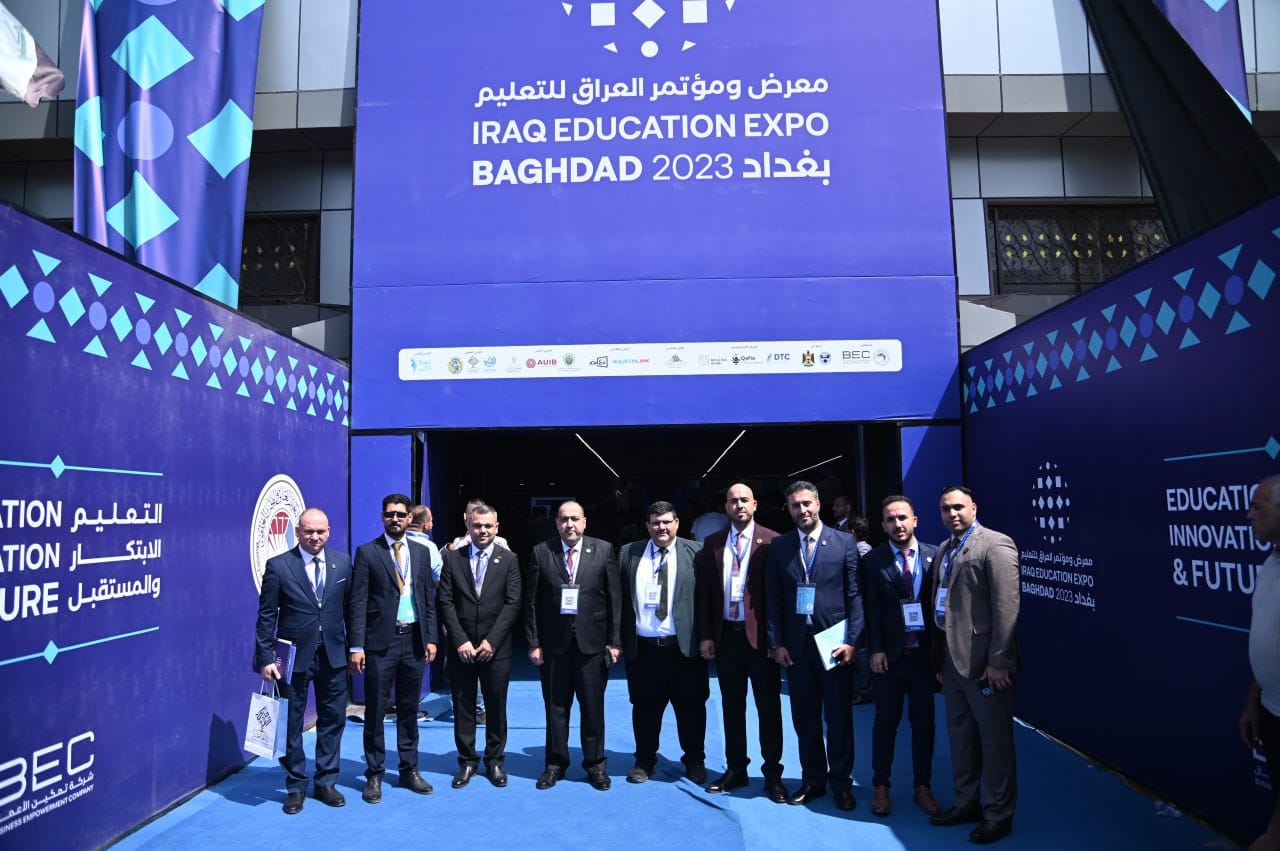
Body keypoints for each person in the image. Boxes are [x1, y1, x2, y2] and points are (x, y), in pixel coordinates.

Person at [928, 485, 1021, 844]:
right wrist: (940, 660)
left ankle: (998, 814)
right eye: (945, 509)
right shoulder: (944, 549)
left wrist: (1000, 660)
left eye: (958, 507)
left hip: (985, 665)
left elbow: (1006, 606)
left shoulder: (995, 544)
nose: (952, 514)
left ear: (973, 508)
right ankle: (967, 803)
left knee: (994, 741)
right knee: (961, 736)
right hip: (952, 661)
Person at [765, 481, 864, 811]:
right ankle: (813, 780)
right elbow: (773, 598)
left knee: (838, 717)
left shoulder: (844, 542)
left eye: (807, 503)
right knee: (805, 717)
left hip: (834, 644)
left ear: (819, 504)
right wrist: (777, 642)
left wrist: (853, 641)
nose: (802, 510)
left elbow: (855, 595)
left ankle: (841, 783)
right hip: (796, 647)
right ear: (789, 509)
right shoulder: (780, 546)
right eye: (796, 505)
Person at [253, 508, 353, 814]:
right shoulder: (279, 566)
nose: (315, 537)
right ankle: (296, 785)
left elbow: (351, 610)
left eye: (320, 531)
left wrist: (356, 647)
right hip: (292, 658)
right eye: (308, 531)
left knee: (332, 720)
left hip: (333, 655)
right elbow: (267, 615)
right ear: (297, 532)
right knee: (290, 723)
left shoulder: (342, 563)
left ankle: (326, 781)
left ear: (329, 531)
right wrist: (265, 657)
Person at [695, 483, 789, 803]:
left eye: (744, 500)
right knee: (731, 707)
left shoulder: (773, 541)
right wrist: (706, 635)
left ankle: (773, 774)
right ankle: (736, 768)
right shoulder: (712, 543)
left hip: (760, 640)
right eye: (733, 501)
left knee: (768, 707)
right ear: (725, 507)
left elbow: (780, 596)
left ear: (755, 504)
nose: (739, 505)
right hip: (726, 637)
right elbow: (705, 594)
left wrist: (778, 640)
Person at [348, 494, 439, 803]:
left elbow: (427, 598)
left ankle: (409, 769)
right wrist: (356, 645)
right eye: (390, 514)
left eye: (401, 514)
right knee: (375, 710)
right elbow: (358, 601)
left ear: (409, 517)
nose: (396, 519)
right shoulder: (367, 552)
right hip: (379, 644)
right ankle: (374, 773)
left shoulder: (421, 552)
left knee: (410, 709)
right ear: (382, 518)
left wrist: (431, 638)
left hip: (413, 640)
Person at [526, 500, 621, 791]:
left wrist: (614, 641)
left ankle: (595, 765)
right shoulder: (542, 552)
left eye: (575, 519)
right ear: (556, 523)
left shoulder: (603, 550)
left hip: (592, 645)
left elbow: (614, 599)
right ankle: (555, 764)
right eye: (564, 519)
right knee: (556, 708)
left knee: (592, 709)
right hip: (554, 646)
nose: (570, 524)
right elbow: (531, 602)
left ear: (584, 522)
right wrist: (534, 642)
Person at [619, 501, 708, 784]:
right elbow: (617, 599)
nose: (662, 527)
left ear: (677, 523)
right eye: (656, 523)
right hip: (643, 650)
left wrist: (707, 637)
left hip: (684, 649)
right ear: (647, 526)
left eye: (667, 522)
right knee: (644, 708)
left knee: (691, 708)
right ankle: (645, 761)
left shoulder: (697, 552)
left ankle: (694, 760)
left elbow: (708, 600)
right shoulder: (629, 553)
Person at [862, 495, 939, 817]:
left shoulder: (936, 556)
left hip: (923, 658)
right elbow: (870, 608)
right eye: (891, 519)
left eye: (903, 517)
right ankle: (881, 786)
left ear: (915, 520)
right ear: (883, 525)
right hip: (889, 658)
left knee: (924, 725)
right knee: (885, 724)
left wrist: (941, 658)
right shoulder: (873, 561)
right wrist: (876, 648)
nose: (898, 524)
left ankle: (923, 786)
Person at [437, 503, 521, 789]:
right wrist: (459, 639)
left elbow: (513, 603)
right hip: (461, 648)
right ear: (468, 526)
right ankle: (467, 761)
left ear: (497, 528)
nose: (482, 530)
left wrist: (492, 641)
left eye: (488, 526)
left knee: (496, 706)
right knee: (463, 706)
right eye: (477, 525)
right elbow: (445, 601)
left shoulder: (509, 559)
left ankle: (495, 760)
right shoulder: (452, 559)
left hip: (496, 649)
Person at [1240, 475, 1280, 851]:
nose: (1249, 515)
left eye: (1258, 506)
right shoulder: (1270, 564)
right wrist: (1255, 701)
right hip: (1271, 713)